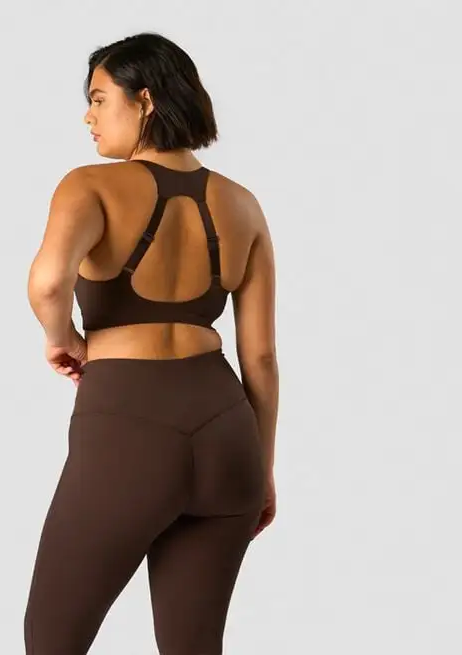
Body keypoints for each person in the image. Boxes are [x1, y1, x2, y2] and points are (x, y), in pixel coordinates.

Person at [24, 31, 279, 655]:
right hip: (228, 435)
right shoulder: (244, 205)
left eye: (98, 98)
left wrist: (63, 339)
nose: (88, 116)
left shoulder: (89, 186)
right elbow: (261, 358)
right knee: (193, 646)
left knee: (52, 638)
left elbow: (49, 282)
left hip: (129, 425)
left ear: (144, 100)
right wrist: (263, 470)